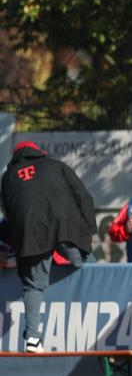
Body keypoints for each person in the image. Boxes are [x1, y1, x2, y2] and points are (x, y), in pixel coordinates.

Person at [0, 141, 96, 353]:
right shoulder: (55, 165)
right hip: (65, 227)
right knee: (86, 264)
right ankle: (99, 325)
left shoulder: (7, 178)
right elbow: (83, 197)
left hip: (29, 234)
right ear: (38, 152)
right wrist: (89, 229)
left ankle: (33, 339)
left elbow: (8, 214)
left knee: (34, 285)